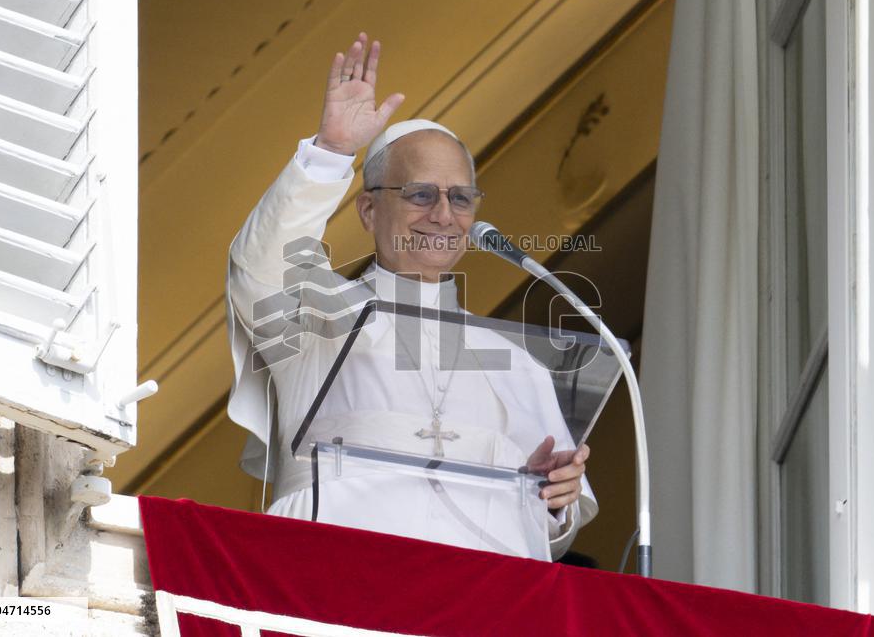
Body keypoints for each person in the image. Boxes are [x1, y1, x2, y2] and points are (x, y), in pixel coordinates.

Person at [226, 33, 597, 560]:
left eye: (460, 198)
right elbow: (259, 263)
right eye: (421, 194)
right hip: (338, 577)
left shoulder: (518, 366)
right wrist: (331, 152)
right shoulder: (318, 319)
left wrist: (554, 496)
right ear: (370, 211)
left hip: (480, 601)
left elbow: (557, 522)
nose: (443, 215)